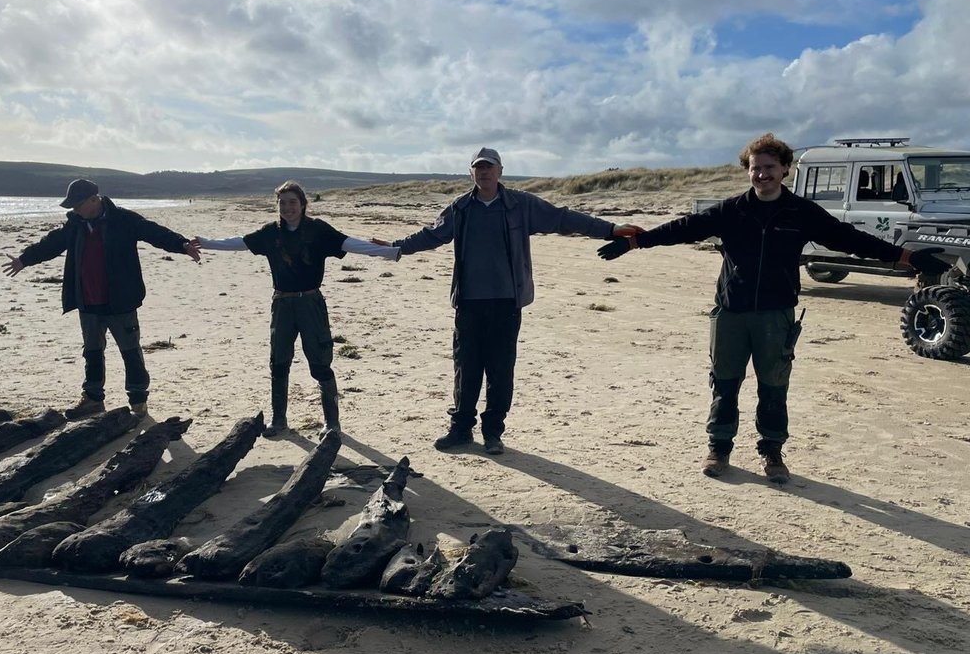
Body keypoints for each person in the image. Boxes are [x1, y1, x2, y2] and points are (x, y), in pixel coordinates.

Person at [598, 133, 949, 482]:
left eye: (769, 167)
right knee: (724, 383)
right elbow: (683, 228)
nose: (762, 174)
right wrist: (634, 243)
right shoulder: (732, 210)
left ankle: (772, 452)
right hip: (731, 313)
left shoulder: (801, 212)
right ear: (747, 171)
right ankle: (719, 449)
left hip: (775, 315)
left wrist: (907, 257)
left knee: (773, 386)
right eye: (755, 168)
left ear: (784, 169)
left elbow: (851, 239)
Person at [373, 147, 642, 456]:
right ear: (471, 173)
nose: (484, 172)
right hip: (469, 304)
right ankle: (460, 429)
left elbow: (562, 218)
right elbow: (432, 235)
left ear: (500, 171)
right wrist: (396, 248)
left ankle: (493, 433)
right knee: (466, 368)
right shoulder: (459, 208)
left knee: (501, 370)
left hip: (506, 303)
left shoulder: (520, 205)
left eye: (490, 167)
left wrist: (609, 229)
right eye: (479, 168)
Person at [192, 180, 399, 438]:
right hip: (282, 304)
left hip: (310, 303)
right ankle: (279, 421)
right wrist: (206, 243)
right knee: (278, 362)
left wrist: (388, 251)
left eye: (292, 202)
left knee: (320, 362)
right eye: (282, 203)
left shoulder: (318, 230)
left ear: (303, 205)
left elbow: (349, 244)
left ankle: (332, 424)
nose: (287, 207)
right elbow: (241, 243)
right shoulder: (271, 233)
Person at [3, 178, 200, 419]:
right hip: (88, 302)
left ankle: (138, 402)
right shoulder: (75, 225)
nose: (74, 210)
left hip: (120, 302)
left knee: (131, 352)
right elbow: (51, 244)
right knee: (92, 352)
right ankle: (93, 399)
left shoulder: (124, 220)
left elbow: (154, 232)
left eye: (78, 205)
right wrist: (25, 259)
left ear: (94, 200)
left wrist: (181, 244)